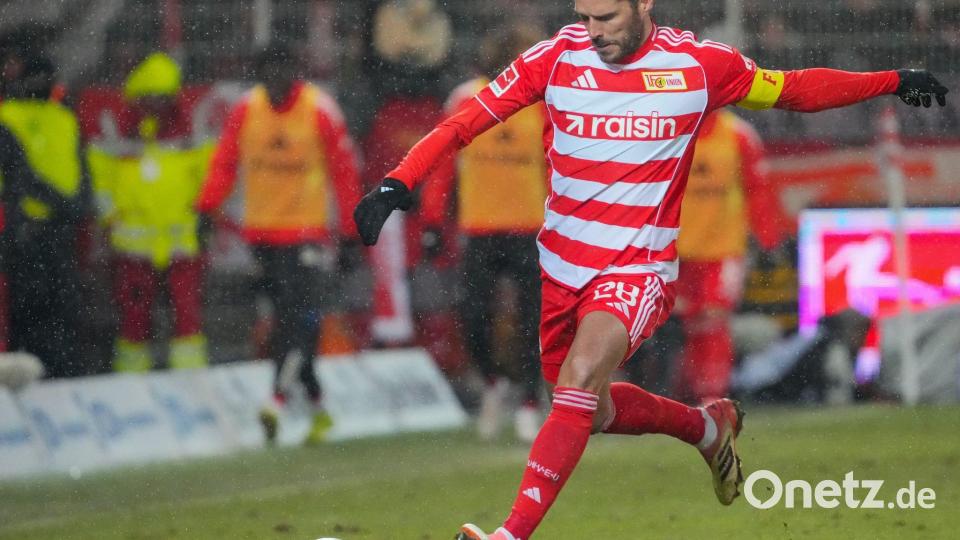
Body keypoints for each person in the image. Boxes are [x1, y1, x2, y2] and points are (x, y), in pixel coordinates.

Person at [353, 1, 948, 538]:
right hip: (561, 269)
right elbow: (465, 123)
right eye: (585, 17)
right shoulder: (555, 58)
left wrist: (891, 81)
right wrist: (396, 182)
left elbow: (792, 88)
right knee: (591, 410)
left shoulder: (698, 65)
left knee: (581, 379)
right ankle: (705, 429)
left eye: (607, 18)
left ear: (644, 5)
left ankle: (509, 535)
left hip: (638, 269)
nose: (594, 32)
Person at [198, 43, 362, 445]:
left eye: (283, 68)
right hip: (262, 237)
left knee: (295, 319)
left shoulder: (319, 109)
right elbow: (225, 162)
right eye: (268, 69)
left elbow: (344, 172)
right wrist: (205, 208)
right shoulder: (245, 110)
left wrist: (351, 233)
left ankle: (275, 399)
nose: (275, 77)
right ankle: (319, 408)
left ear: (296, 71)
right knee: (283, 322)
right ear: (258, 72)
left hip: (306, 235)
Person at [421, 24, 549, 442]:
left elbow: (560, 165)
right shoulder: (464, 100)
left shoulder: (543, 102)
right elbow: (440, 163)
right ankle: (494, 384)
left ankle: (530, 399)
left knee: (533, 321)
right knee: (473, 318)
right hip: (479, 229)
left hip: (532, 229)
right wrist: (432, 220)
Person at [88, 52, 213, 373]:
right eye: (149, 98)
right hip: (134, 247)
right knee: (133, 322)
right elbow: (99, 181)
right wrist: (112, 218)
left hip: (181, 244)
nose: (156, 104)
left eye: (163, 98)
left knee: (186, 319)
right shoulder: (117, 132)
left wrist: (205, 218)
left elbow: (210, 179)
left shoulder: (189, 130)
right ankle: (130, 386)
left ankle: (191, 382)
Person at [671, 109, 786, 404]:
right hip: (677, 251)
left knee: (714, 318)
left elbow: (758, 191)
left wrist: (768, 238)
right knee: (692, 323)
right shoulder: (671, 130)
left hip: (722, 251)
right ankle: (693, 393)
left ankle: (713, 396)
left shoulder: (738, 135)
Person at [0, 54, 87, 378]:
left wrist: (77, 206)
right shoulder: (7, 117)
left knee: (62, 308)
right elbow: (19, 176)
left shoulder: (64, 117)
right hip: (21, 231)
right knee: (25, 310)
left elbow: (81, 164)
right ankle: (30, 375)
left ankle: (60, 373)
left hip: (57, 230)